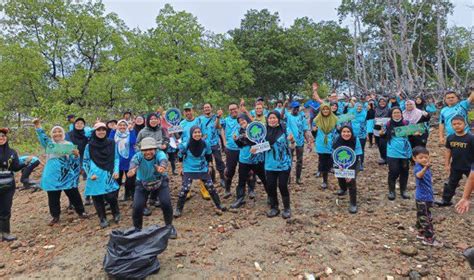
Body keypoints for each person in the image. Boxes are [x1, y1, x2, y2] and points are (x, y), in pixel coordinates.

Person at [34, 119, 87, 225]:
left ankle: (81, 211)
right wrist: (38, 127)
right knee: (53, 196)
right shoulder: (49, 145)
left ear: (62, 133)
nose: (57, 134)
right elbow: (43, 138)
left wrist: (76, 155)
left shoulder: (69, 144)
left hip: (66, 173)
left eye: (59, 132)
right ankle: (55, 216)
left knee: (73, 193)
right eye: (54, 132)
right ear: (52, 134)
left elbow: (74, 160)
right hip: (52, 175)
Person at [128, 137, 177, 239]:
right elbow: (133, 163)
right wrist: (132, 170)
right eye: (145, 150)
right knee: (137, 206)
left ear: (155, 149)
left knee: (166, 202)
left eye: (151, 149)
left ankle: (169, 226)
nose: (148, 152)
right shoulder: (138, 156)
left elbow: (163, 160)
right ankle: (137, 229)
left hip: (160, 182)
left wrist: (162, 167)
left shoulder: (160, 154)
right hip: (142, 183)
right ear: (141, 151)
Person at [174, 126, 227, 217]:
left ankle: (219, 205)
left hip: (202, 168)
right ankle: (178, 209)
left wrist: (210, 165)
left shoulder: (205, 143)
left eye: (199, 132)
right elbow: (180, 156)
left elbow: (209, 155)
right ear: (191, 134)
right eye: (195, 132)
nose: (197, 134)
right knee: (185, 188)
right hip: (189, 168)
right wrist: (180, 168)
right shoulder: (186, 144)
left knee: (210, 187)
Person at [83, 122, 120, 228]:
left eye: (103, 129)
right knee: (97, 198)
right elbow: (85, 161)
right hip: (95, 175)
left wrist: (116, 171)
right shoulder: (89, 146)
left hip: (108, 173)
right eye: (98, 130)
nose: (101, 132)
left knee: (111, 196)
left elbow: (116, 158)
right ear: (95, 132)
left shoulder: (112, 143)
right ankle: (102, 218)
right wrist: (90, 174)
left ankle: (116, 213)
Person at [230, 114, 268, 208]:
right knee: (241, 180)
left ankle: (271, 196)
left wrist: (253, 144)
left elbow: (264, 144)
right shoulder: (239, 131)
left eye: (243, 120)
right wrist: (236, 140)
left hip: (257, 160)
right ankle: (240, 198)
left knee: (264, 179)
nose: (241, 122)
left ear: (247, 120)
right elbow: (240, 145)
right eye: (239, 122)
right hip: (244, 159)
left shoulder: (256, 128)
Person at [436, 116, 474, 207]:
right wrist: (446, 164)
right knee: (451, 183)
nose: (457, 126)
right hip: (456, 166)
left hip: (470, 166)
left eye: (459, 124)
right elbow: (448, 151)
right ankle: (446, 200)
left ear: (465, 124)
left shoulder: (471, 138)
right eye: (454, 124)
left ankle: (466, 198)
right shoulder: (450, 138)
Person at [263, 111, 293, 218]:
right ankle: (274, 208)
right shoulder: (264, 131)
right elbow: (260, 145)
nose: (272, 120)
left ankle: (287, 208)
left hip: (283, 164)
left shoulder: (285, 130)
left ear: (279, 119)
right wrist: (254, 149)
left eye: (274, 118)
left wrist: (292, 140)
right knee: (270, 186)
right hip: (269, 164)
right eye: (270, 118)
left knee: (282, 185)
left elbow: (292, 146)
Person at [0, 128, 28, 241]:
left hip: (8, 185)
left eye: (3, 136)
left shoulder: (12, 152)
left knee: (6, 209)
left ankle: (6, 233)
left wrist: (25, 163)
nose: (1, 138)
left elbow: (15, 167)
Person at [412, 146, 443, 247]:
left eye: (426, 157)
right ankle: (429, 238)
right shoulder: (418, 167)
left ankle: (421, 233)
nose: (424, 159)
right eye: (421, 158)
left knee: (422, 216)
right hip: (422, 198)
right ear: (414, 159)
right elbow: (419, 175)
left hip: (427, 196)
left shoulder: (426, 167)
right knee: (426, 218)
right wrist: (425, 168)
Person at [380, 107, 412, 200]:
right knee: (393, 171)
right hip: (392, 152)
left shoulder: (406, 123)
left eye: (398, 112)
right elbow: (382, 136)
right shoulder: (388, 124)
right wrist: (381, 133)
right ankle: (391, 191)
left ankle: (403, 190)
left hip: (405, 151)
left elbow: (412, 134)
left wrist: (416, 133)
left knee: (404, 171)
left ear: (401, 114)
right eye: (394, 113)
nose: (397, 114)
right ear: (391, 114)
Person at [332, 125, 363, 214]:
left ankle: (353, 203)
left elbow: (357, 155)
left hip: (354, 163)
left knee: (351, 181)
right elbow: (334, 153)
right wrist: (338, 165)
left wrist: (349, 172)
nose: (346, 134)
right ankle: (343, 188)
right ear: (341, 133)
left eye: (348, 132)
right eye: (344, 132)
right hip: (340, 163)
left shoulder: (355, 140)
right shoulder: (337, 140)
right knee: (340, 176)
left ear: (351, 132)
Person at [284, 101, 313, 184]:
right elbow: (281, 116)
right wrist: (284, 106)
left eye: (297, 108)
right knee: (289, 160)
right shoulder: (288, 116)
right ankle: (288, 178)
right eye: (294, 108)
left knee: (299, 161)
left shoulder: (301, 117)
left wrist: (308, 142)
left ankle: (298, 178)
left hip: (300, 142)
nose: (296, 110)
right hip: (290, 142)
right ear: (291, 108)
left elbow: (305, 130)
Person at [66, 117, 93, 204]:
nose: (79, 125)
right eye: (77, 123)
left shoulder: (87, 135)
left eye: (81, 123)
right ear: (74, 124)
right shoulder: (69, 134)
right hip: (73, 159)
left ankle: (87, 197)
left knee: (90, 178)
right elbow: (67, 147)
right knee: (73, 180)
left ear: (84, 125)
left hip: (85, 158)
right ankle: (72, 202)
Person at [110, 120, 138, 201]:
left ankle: (132, 197)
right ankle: (114, 199)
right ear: (117, 126)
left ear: (126, 126)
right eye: (120, 125)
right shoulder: (115, 135)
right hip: (117, 162)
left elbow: (133, 142)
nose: (122, 127)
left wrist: (132, 130)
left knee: (131, 181)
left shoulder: (129, 134)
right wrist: (113, 130)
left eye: (124, 125)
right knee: (117, 181)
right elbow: (110, 141)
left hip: (129, 162)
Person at [199, 103, 226, 187]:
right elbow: (197, 129)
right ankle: (212, 179)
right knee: (208, 162)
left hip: (215, 143)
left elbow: (218, 127)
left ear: (211, 108)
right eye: (205, 107)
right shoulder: (200, 119)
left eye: (208, 107)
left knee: (219, 161)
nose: (206, 109)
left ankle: (222, 178)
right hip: (204, 144)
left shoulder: (216, 117)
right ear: (203, 109)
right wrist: (201, 136)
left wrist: (218, 117)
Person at [312, 103, 338, 189]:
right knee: (323, 160)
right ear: (321, 110)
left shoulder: (334, 119)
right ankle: (325, 180)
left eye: (327, 109)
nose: (325, 111)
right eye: (324, 109)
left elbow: (338, 129)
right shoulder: (316, 120)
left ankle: (326, 171)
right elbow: (313, 133)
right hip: (321, 142)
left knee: (329, 160)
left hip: (331, 142)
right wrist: (314, 130)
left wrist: (339, 128)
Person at [220, 103, 241, 198]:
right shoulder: (226, 120)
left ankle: (249, 190)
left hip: (243, 149)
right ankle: (227, 189)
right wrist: (224, 142)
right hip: (231, 149)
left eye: (234, 108)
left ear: (238, 108)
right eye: (231, 109)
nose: (233, 111)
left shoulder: (242, 118)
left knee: (247, 170)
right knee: (230, 170)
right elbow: (221, 129)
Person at [374, 97, 391, 164]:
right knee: (379, 144)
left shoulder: (389, 110)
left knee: (385, 144)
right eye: (380, 102)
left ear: (386, 102)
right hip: (377, 128)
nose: (382, 103)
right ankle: (382, 157)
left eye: (383, 101)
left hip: (386, 129)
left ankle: (387, 158)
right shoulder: (376, 109)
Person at [351, 103, 368, 170]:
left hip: (362, 135)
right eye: (358, 106)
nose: (359, 108)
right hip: (352, 135)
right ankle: (353, 163)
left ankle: (361, 163)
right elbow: (343, 119)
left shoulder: (365, 114)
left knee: (361, 150)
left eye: (361, 106)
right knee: (352, 149)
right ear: (355, 107)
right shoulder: (351, 114)